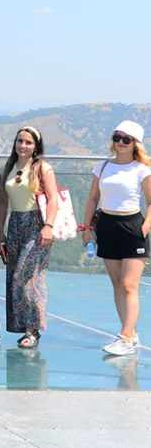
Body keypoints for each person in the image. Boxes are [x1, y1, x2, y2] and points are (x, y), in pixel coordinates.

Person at [84, 120, 151, 356]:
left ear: (135, 144)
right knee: (116, 285)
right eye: (117, 137)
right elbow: (93, 199)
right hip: (107, 226)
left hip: (132, 226)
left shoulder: (142, 169)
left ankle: (124, 337)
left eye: (126, 139)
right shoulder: (102, 167)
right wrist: (87, 229)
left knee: (129, 285)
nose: (120, 143)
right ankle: (130, 335)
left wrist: (145, 227)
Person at [0, 127, 59, 349]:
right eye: (20, 141)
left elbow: (53, 199)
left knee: (28, 274)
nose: (23, 146)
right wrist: (0, 231)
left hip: (36, 225)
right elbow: (3, 201)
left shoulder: (42, 168)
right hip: (15, 225)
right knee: (15, 275)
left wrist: (48, 226)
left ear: (36, 147)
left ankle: (33, 330)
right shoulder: (10, 168)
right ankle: (23, 327)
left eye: (28, 143)